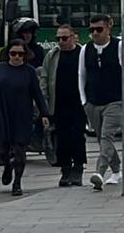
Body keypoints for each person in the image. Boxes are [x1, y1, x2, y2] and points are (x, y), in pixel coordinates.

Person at [0, 40, 51, 196]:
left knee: (20, 151)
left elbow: (37, 94)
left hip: (22, 116)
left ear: (25, 55)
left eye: (20, 54)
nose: (17, 57)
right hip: (1, 115)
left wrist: (44, 114)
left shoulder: (29, 72)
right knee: (2, 151)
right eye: (13, 53)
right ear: (8, 54)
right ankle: (7, 166)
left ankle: (17, 183)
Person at [79, 14, 123, 191]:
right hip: (92, 102)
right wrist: (84, 100)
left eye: (99, 29)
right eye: (92, 30)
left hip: (114, 101)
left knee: (106, 136)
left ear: (108, 28)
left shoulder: (119, 46)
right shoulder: (86, 49)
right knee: (101, 139)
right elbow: (81, 75)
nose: (95, 33)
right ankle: (117, 170)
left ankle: (99, 173)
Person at [39, 24, 86, 187]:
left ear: (74, 37)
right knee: (62, 137)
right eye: (58, 38)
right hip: (58, 103)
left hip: (79, 104)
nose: (61, 41)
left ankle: (78, 169)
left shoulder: (83, 54)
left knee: (78, 136)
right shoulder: (52, 56)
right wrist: (44, 105)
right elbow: (44, 78)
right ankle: (65, 171)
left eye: (64, 38)